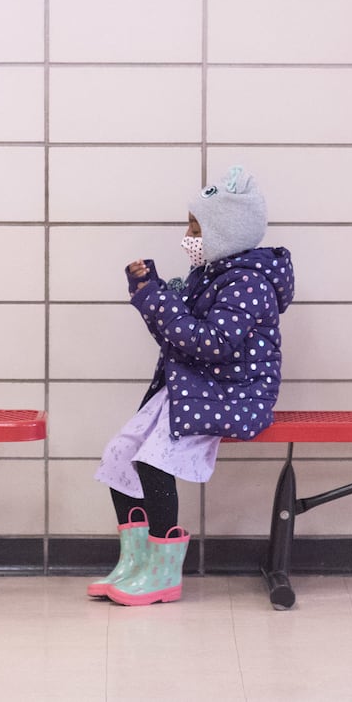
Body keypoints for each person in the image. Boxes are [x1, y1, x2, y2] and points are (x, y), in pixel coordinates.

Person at [90, 167, 295, 605]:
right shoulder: (210, 274)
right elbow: (175, 331)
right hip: (195, 386)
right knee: (120, 455)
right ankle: (136, 561)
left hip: (233, 392)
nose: (188, 236)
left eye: (196, 228)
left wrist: (156, 299)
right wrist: (150, 289)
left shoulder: (247, 282)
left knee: (153, 463)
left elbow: (211, 344)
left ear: (224, 233)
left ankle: (163, 573)